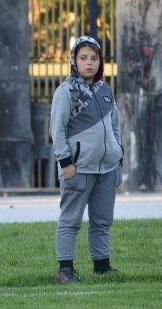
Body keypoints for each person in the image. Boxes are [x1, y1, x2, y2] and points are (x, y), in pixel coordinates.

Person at [49, 35, 124, 284]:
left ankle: (102, 267)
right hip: (77, 169)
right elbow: (57, 130)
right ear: (74, 60)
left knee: (102, 221)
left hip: (107, 169)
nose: (89, 63)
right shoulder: (66, 91)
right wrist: (65, 162)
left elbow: (115, 126)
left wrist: (118, 155)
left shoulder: (105, 90)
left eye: (94, 58)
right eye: (83, 58)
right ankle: (66, 269)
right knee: (71, 221)